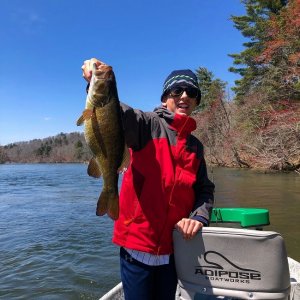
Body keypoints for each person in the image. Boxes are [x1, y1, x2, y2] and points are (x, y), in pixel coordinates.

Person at [81, 58, 215, 300]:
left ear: (196, 101)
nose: (184, 96)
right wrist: (96, 81)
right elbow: (116, 116)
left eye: (191, 92)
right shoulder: (147, 124)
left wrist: (199, 217)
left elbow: (204, 189)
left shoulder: (196, 147)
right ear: (166, 97)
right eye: (177, 90)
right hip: (137, 247)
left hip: (175, 249)